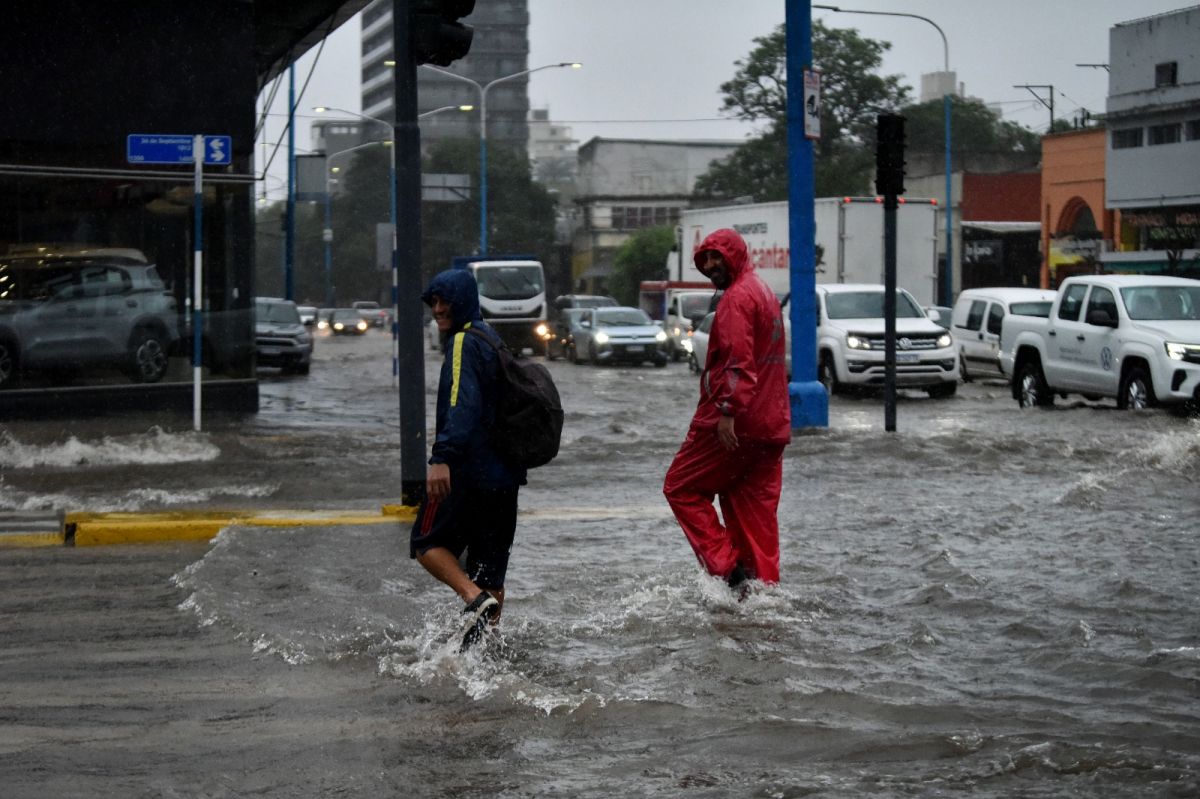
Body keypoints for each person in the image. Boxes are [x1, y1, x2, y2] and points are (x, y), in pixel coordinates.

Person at [663, 228, 791, 595]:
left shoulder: (736, 299)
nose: (712, 264)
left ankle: (728, 572)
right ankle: (761, 595)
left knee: (680, 486)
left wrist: (727, 412)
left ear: (735, 254)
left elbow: (739, 363)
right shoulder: (764, 293)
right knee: (754, 514)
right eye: (706, 258)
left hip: (738, 424)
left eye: (718, 255)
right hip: (771, 427)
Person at [412, 268, 527, 651]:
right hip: (504, 478)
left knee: (425, 543)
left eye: (445, 301)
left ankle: (471, 599)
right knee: (489, 572)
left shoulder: (463, 342)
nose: (438, 309)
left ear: (463, 300)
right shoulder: (492, 339)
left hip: (469, 472)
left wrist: (441, 458)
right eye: (434, 302)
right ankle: (482, 656)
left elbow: (461, 404)